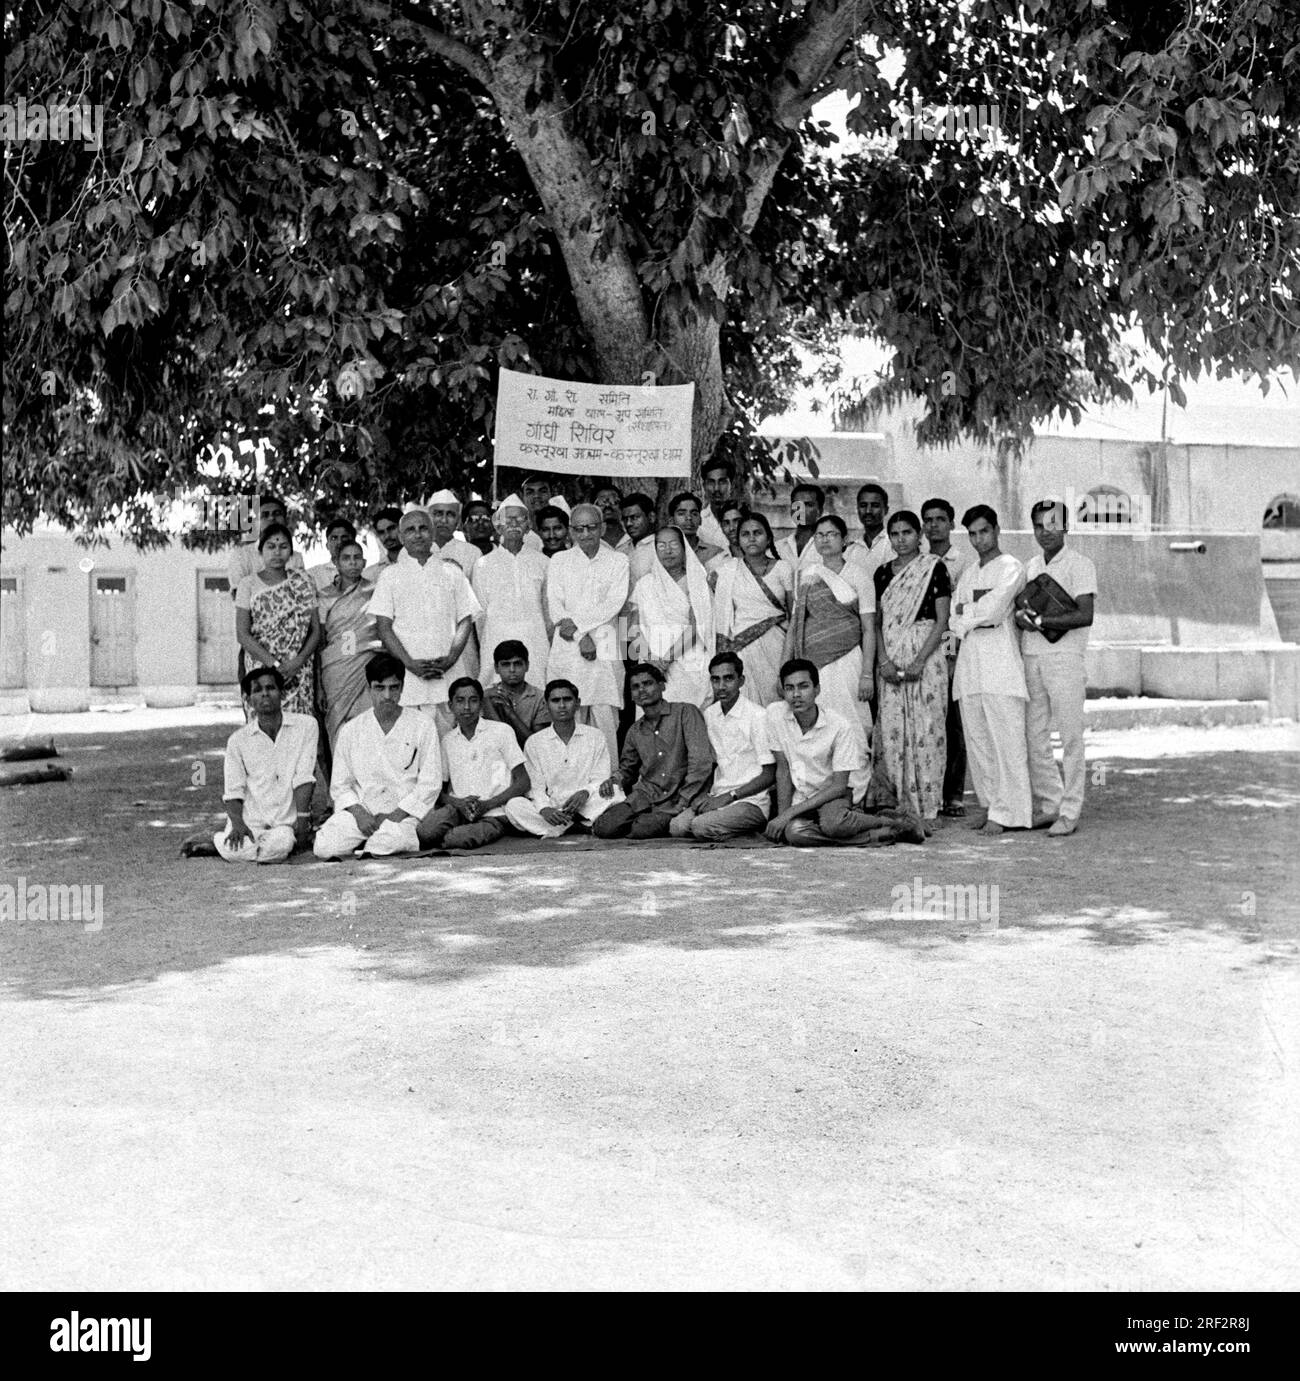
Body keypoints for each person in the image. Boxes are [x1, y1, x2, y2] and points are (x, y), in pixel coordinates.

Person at [764, 660, 923, 847]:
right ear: (782, 692)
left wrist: (789, 814)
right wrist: (782, 819)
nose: (796, 694)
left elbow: (839, 786)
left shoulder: (839, 726)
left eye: (803, 686)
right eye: (789, 688)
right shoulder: (775, 715)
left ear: (817, 690)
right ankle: (879, 835)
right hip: (802, 796)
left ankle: (892, 822)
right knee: (794, 834)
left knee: (834, 825)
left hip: (833, 796)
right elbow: (783, 771)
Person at [1015, 499, 1097, 838]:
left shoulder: (1080, 564)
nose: (1045, 532)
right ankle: (1051, 803)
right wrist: (1022, 619)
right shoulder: (1029, 566)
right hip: (1031, 657)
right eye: (1038, 526)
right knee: (1034, 736)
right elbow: (1019, 611)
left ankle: (1071, 809)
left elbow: (1085, 614)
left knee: (1070, 736)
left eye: (1052, 525)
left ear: (1064, 527)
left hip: (1064, 658)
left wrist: (1044, 620)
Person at [312, 654, 445, 858]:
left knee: (386, 842)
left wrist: (395, 815)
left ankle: (372, 843)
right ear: (369, 688)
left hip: (403, 813)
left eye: (393, 688)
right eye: (380, 688)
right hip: (363, 811)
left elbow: (430, 783)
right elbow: (340, 785)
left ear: (402, 688)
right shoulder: (351, 729)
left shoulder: (422, 725)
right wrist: (360, 814)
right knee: (324, 846)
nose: (387, 696)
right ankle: (365, 840)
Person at [950, 504, 1032, 835]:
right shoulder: (969, 573)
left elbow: (995, 610)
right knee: (979, 741)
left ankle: (1011, 813)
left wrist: (968, 614)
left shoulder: (1011, 566)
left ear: (996, 530)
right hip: (970, 664)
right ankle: (990, 806)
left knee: (1007, 742)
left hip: (1000, 661)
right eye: (972, 533)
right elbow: (953, 618)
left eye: (984, 531)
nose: (979, 539)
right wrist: (969, 615)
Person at [867, 510, 951, 827]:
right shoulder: (882, 574)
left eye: (907, 532)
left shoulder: (934, 569)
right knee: (891, 729)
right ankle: (899, 804)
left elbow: (942, 621)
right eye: (895, 534)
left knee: (927, 729)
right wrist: (884, 660)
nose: (901, 539)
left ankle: (928, 808)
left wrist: (919, 660)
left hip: (926, 656)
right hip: (890, 652)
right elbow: (876, 621)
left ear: (919, 535)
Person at [370, 507, 481, 734]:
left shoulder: (451, 571)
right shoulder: (390, 576)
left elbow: (465, 620)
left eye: (423, 528)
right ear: (402, 537)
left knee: (452, 741)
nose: (417, 534)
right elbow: (384, 627)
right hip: (409, 679)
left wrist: (450, 659)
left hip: (448, 674)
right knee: (413, 745)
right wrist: (409, 664)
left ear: (432, 534)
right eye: (410, 530)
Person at [784, 514, 875, 790]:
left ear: (844, 539)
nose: (824, 539)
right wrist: (785, 665)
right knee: (822, 724)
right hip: (814, 666)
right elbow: (796, 624)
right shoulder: (809, 575)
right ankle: (825, 789)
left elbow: (869, 628)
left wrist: (867, 674)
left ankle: (857, 790)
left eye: (831, 534)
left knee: (852, 724)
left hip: (848, 662)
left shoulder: (858, 575)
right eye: (820, 535)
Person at [546, 504, 629, 766]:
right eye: (579, 528)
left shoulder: (618, 561)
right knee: (570, 715)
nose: (586, 534)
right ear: (571, 531)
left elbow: (613, 604)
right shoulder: (559, 561)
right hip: (569, 649)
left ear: (602, 527)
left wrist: (580, 628)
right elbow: (556, 606)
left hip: (605, 647)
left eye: (592, 527)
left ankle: (609, 782)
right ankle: (571, 781)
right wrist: (582, 637)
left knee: (606, 718)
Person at [593, 664, 714, 838]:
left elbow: (701, 763)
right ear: (632, 695)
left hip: (678, 797)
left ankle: (652, 822)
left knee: (641, 830)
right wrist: (614, 780)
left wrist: (685, 799)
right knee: (604, 827)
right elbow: (628, 770)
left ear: (662, 686)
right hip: (646, 795)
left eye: (647, 683)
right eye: (635, 687)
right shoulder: (635, 731)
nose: (642, 690)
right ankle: (642, 819)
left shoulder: (685, 713)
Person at [215, 667, 318, 862]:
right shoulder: (238, 740)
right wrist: (237, 824)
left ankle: (254, 849)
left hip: (283, 825)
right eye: (257, 690)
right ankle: (224, 840)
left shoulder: (306, 726)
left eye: (270, 688)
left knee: (280, 845)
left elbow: (304, 778)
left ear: (282, 693)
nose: (265, 694)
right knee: (235, 851)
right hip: (250, 822)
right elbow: (233, 790)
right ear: (248, 700)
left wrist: (303, 825)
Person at [669, 652, 775, 841]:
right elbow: (711, 765)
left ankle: (741, 827)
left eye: (728, 679)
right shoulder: (710, 714)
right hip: (717, 797)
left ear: (741, 681)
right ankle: (726, 826)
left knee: (700, 826)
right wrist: (703, 796)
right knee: (677, 826)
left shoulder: (757, 716)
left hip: (750, 801)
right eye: (715, 680)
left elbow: (769, 774)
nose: (721, 686)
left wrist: (729, 797)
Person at [504, 679, 624, 838]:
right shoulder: (535, 742)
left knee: (615, 792)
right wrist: (544, 808)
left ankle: (560, 827)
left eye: (567, 699)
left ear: (577, 703)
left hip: (586, 804)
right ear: (546, 706)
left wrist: (585, 792)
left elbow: (600, 776)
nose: (562, 705)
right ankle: (578, 826)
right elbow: (535, 786)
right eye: (555, 700)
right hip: (554, 806)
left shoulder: (595, 736)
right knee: (514, 805)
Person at [421, 678, 530, 850]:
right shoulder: (447, 741)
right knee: (425, 832)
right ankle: (455, 834)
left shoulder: (501, 731)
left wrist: (488, 804)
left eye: (473, 700)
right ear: (450, 706)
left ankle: (464, 834)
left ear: (480, 704)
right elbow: (438, 791)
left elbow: (524, 781)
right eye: (460, 701)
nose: (466, 707)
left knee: (456, 839)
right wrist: (459, 803)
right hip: (459, 810)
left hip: (495, 812)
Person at [234, 521, 321, 715]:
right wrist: (275, 666)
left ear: (291, 552)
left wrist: (297, 662)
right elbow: (242, 634)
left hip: (299, 669)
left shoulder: (303, 581)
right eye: (271, 547)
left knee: (300, 730)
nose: (277, 552)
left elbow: (315, 630)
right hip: (261, 668)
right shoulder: (248, 585)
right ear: (260, 552)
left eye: (283, 547)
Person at [713, 511, 793, 706]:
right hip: (742, 648)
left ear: (768, 538)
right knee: (747, 707)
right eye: (745, 534)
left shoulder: (783, 568)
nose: (751, 538)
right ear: (738, 540)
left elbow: (794, 616)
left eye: (757, 533)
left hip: (777, 646)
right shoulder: (726, 571)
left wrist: (788, 659)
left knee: (776, 704)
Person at [472, 493, 551, 689]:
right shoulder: (483, 564)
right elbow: (480, 615)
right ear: (497, 525)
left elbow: (548, 610)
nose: (514, 523)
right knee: (494, 691)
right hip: (495, 638)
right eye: (508, 518)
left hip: (536, 639)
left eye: (520, 518)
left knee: (537, 689)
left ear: (528, 526)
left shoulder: (543, 562)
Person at [630, 525, 715, 709]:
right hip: (651, 665)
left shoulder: (698, 583)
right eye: (661, 545)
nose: (668, 551)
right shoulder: (645, 584)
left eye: (674, 545)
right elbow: (631, 628)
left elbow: (697, 626)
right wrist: (651, 660)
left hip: (688, 661)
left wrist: (666, 659)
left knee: (688, 719)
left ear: (684, 548)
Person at [922, 497, 970, 816]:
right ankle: (928, 790)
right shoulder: (918, 560)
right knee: (927, 721)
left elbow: (960, 611)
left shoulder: (962, 562)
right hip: (923, 645)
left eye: (941, 519)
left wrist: (951, 655)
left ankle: (953, 792)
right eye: (928, 519)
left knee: (953, 722)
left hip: (953, 643)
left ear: (952, 523)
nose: (934, 525)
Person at [316, 537, 381, 751]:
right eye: (346, 558)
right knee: (339, 731)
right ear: (336, 562)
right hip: (335, 671)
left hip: (366, 668)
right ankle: (341, 782)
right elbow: (320, 642)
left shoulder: (374, 591)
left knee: (367, 730)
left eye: (357, 558)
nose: (352, 563)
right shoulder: (325, 596)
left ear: (364, 563)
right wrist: (318, 687)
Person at [226, 493, 305, 591]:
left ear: (286, 520)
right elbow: (239, 595)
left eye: (277, 513)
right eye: (265, 515)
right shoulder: (241, 556)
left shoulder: (295, 557)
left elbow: (300, 594)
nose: (272, 518)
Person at [480, 639, 551, 746]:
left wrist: (509, 713)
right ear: (496, 668)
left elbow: (537, 745)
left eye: (517, 664)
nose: (512, 670)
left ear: (527, 666)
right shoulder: (486, 696)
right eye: (506, 664)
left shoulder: (541, 697)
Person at [427, 488, 480, 581]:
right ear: (428, 518)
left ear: (458, 521)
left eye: (450, 514)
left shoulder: (472, 553)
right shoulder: (410, 551)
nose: (444, 520)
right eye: (438, 514)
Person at [776, 482, 826, 572]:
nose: (801, 510)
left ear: (820, 511)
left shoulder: (829, 547)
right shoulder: (778, 548)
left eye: (808, 505)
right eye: (797, 504)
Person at [668, 492, 725, 567]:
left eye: (694, 514)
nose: (689, 518)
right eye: (681, 513)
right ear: (671, 521)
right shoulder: (663, 553)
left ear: (700, 520)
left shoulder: (715, 553)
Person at [854, 482, 894, 578]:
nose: (868, 511)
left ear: (886, 510)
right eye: (863, 505)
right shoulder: (850, 549)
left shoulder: (893, 545)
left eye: (875, 505)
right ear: (857, 509)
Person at [699, 457, 739, 551]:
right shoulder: (698, 522)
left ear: (731, 485)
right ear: (704, 486)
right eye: (711, 482)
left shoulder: (744, 519)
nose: (716, 488)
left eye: (722, 482)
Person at [308, 517, 358, 592]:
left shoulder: (367, 573)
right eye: (334, 538)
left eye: (344, 538)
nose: (339, 542)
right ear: (327, 545)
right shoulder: (313, 575)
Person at [619, 492, 658, 583]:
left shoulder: (661, 548)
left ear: (651, 517)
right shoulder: (621, 551)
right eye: (625, 519)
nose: (628, 524)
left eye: (635, 517)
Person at [365, 506, 405, 582]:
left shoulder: (423, 563)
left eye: (392, 528)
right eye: (381, 532)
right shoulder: (370, 575)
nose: (387, 536)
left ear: (403, 527)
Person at [594, 485, 631, 553]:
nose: (607, 505)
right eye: (602, 502)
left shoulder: (633, 536)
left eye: (614, 501)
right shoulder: (587, 540)